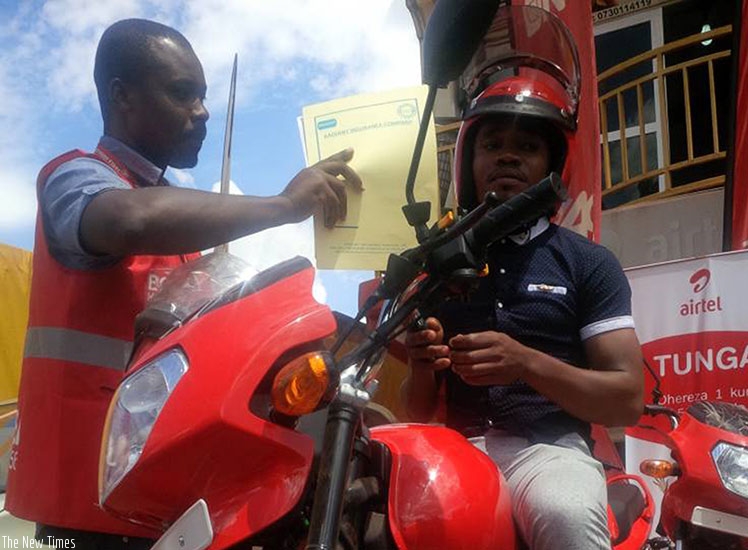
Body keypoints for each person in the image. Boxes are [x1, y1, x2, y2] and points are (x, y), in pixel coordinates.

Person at [6, 18, 361, 549]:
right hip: (82, 502)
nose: (201, 113)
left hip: (158, 501)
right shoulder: (74, 176)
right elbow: (128, 221)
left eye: (203, 97)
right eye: (182, 94)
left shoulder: (184, 233)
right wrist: (283, 207)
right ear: (122, 96)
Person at [401, 74, 645, 550]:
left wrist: (526, 362)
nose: (507, 156)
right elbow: (417, 409)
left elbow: (627, 399)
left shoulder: (588, 262)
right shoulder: (439, 265)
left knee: (566, 513)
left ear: (551, 164)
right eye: (491, 145)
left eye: (527, 146)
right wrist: (421, 364)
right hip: (457, 450)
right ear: (469, 163)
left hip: (550, 451)